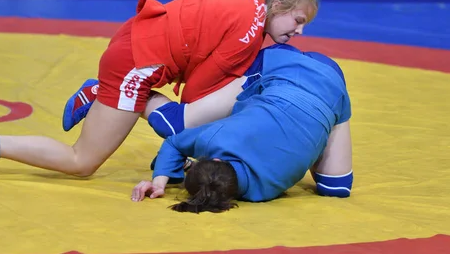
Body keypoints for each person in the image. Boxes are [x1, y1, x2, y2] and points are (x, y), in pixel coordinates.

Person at [0, 0, 318, 183]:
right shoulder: (247, 33)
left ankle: (101, 92)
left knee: (194, 117)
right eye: (298, 21)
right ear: (277, 6)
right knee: (83, 161)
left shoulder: (247, 10)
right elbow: (195, 94)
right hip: (136, 64)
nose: (299, 32)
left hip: (136, 47)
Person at [130, 43, 353, 212]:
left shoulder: (263, 192)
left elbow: (176, 147)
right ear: (216, 160)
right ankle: (117, 91)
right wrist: (158, 181)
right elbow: (173, 143)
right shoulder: (217, 139)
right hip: (294, 65)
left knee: (336, 188)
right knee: (177, 126)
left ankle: (112, 92)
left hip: (326, 86)